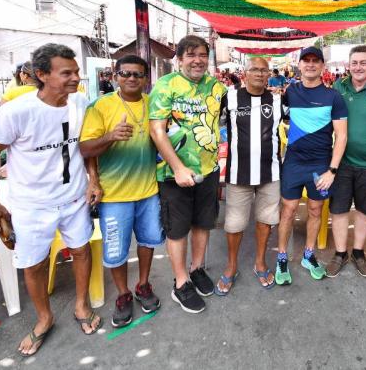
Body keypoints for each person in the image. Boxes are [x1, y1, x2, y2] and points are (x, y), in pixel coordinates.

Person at [0, 43, 102, 357]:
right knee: (34, 264)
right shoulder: (16, 111)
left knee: (81, 250)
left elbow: (85, 146)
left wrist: (93, 179)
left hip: (74, 198)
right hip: (31, 205)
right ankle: (44, 318)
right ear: (41, 75)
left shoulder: (80, 102)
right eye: (67, 73)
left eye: (76, 71)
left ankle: (80, 305)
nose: (76, 78)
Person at [79, 55, 163, 328]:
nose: (131, 78)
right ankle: (123, 294)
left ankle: (142, 285)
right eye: (125, 73)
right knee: (116, 251)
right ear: (115, 76)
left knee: (148, 241)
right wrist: (109, 137)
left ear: (145, 78)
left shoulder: (154, 104)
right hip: (114, 195)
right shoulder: (100, 106)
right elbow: (85, 149)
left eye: (137, 74)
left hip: (148, 191)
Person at [149, 35, 226, 314]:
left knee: (203, 223)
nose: (197, 60)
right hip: (174, 174)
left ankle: (197, 270)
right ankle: (180, 282)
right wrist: (179, 168)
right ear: (179, 58)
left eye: (202, 55)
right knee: (178, 230)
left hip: (209, 171)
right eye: (191, 55)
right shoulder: (165, 85)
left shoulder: (217, 87)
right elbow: (157, 130)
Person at [275, 46, 347, 285]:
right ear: (299, 65)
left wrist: (332, 170)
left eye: (316, 61)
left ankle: (308, 254)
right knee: (288, 210)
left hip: (321, 164)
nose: (311, 64)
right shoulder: (290, 92)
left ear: (322, 67)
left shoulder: (333, 96)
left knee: (316, 210)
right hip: (294, 161)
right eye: (306, 60)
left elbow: (342, 137)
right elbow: (279, 115)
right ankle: (282, 256)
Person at [216, 57, 284, 294]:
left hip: (270, 171)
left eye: (263, 70)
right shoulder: (230, 96)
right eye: (254, 69)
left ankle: (260, 262)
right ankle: (231, 266)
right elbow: (213, 124)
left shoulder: (277, 99)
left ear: (269, 74)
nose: (259, 73)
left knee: (266, 219)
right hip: (238, 173)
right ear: (244, 73)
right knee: (234, 223)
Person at [328, 46, 366, 278]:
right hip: (341, 162)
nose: (358, 67)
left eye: (364, 63)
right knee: (339, 209)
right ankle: (340, 253)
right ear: (348, 65)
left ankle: (359, 252)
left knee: (365, 210)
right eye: (354, 62)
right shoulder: (338, 87)